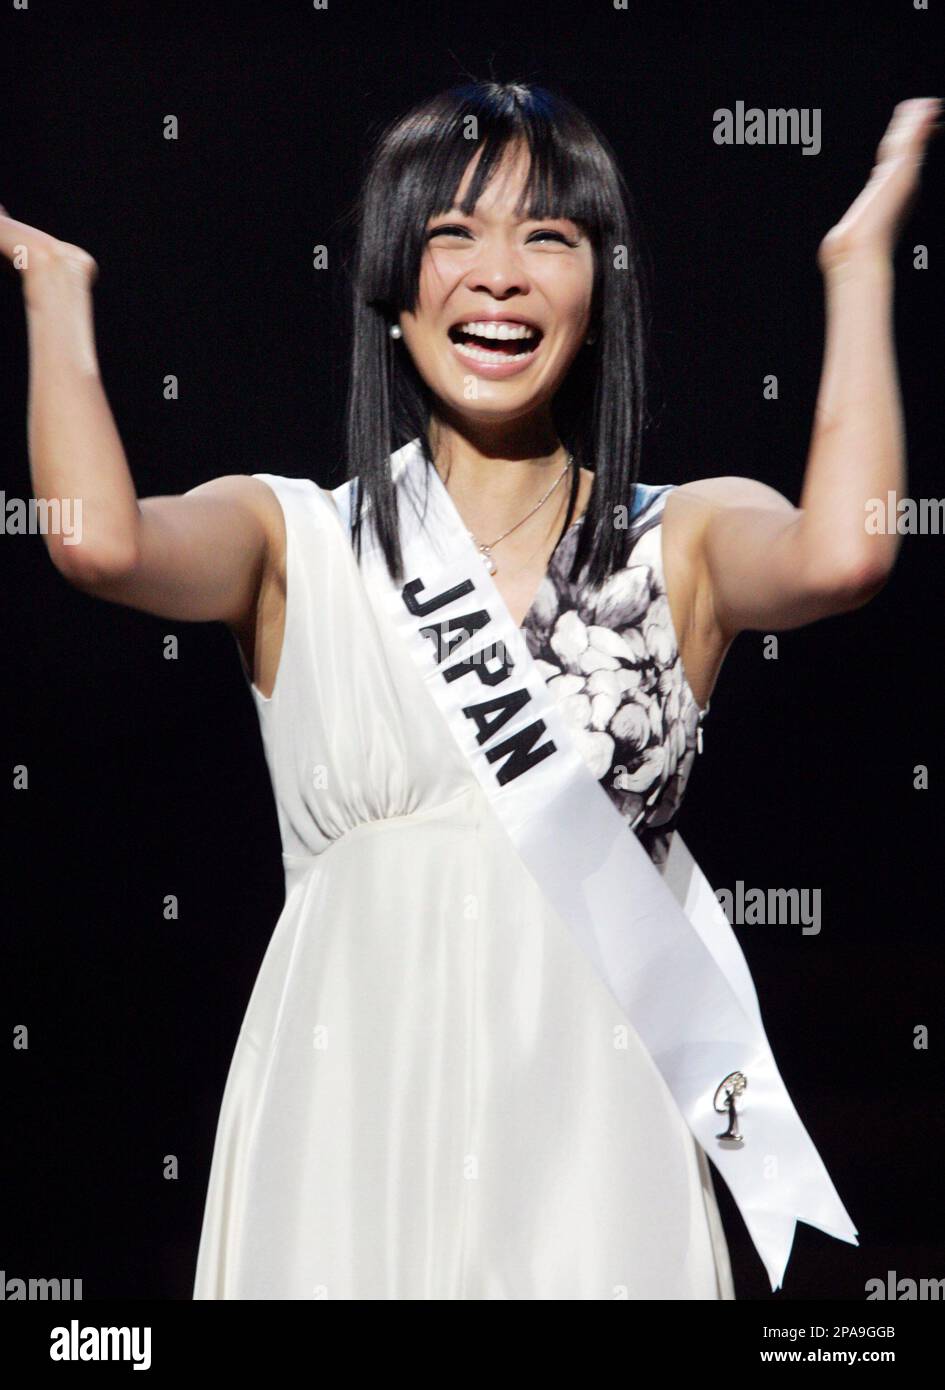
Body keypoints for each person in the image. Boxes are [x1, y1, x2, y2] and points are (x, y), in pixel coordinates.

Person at [3, 82, 938, 1300]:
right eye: (454, 235)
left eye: (548, 237)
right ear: (393, 292)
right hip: (350, 1101)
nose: (499, 275)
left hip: (592, 1112)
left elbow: (849, 548)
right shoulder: (297, 538)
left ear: (599, 294)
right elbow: (95, 541)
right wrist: (56, 294)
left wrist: (860, 264)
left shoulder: (683, 539)